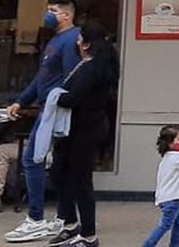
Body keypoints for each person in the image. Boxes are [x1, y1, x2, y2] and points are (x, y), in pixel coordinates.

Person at [4, 0, 81, 243]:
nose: (48, 14)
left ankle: (36, 219)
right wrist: (21, 100)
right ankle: (62, 218)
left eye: (53, 10)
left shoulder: (71, 40)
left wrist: (63, 105)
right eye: (48, 9)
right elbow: (42, 77)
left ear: (67, 15)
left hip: (56, 110)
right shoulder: (55, 41)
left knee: (33, 159)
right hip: (48, 107)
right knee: (53, 163)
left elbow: (71, 78)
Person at [46, 21, 119, 247]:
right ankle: (70, 224)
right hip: (81, 128)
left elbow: (73, 98)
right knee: (60, 173)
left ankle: (89, 235)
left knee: (80, 180)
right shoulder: (93, 65)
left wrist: (55, 96)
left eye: (79, 38)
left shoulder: (91, 69)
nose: (77, 42)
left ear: (86, 44)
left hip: (85, 129)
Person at [144, 126, 179, 247]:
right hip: (172, 199)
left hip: (169, 199)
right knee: (165, 225)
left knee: (178, 224)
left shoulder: (168, 157)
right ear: (170, 144)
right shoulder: (177, 158)